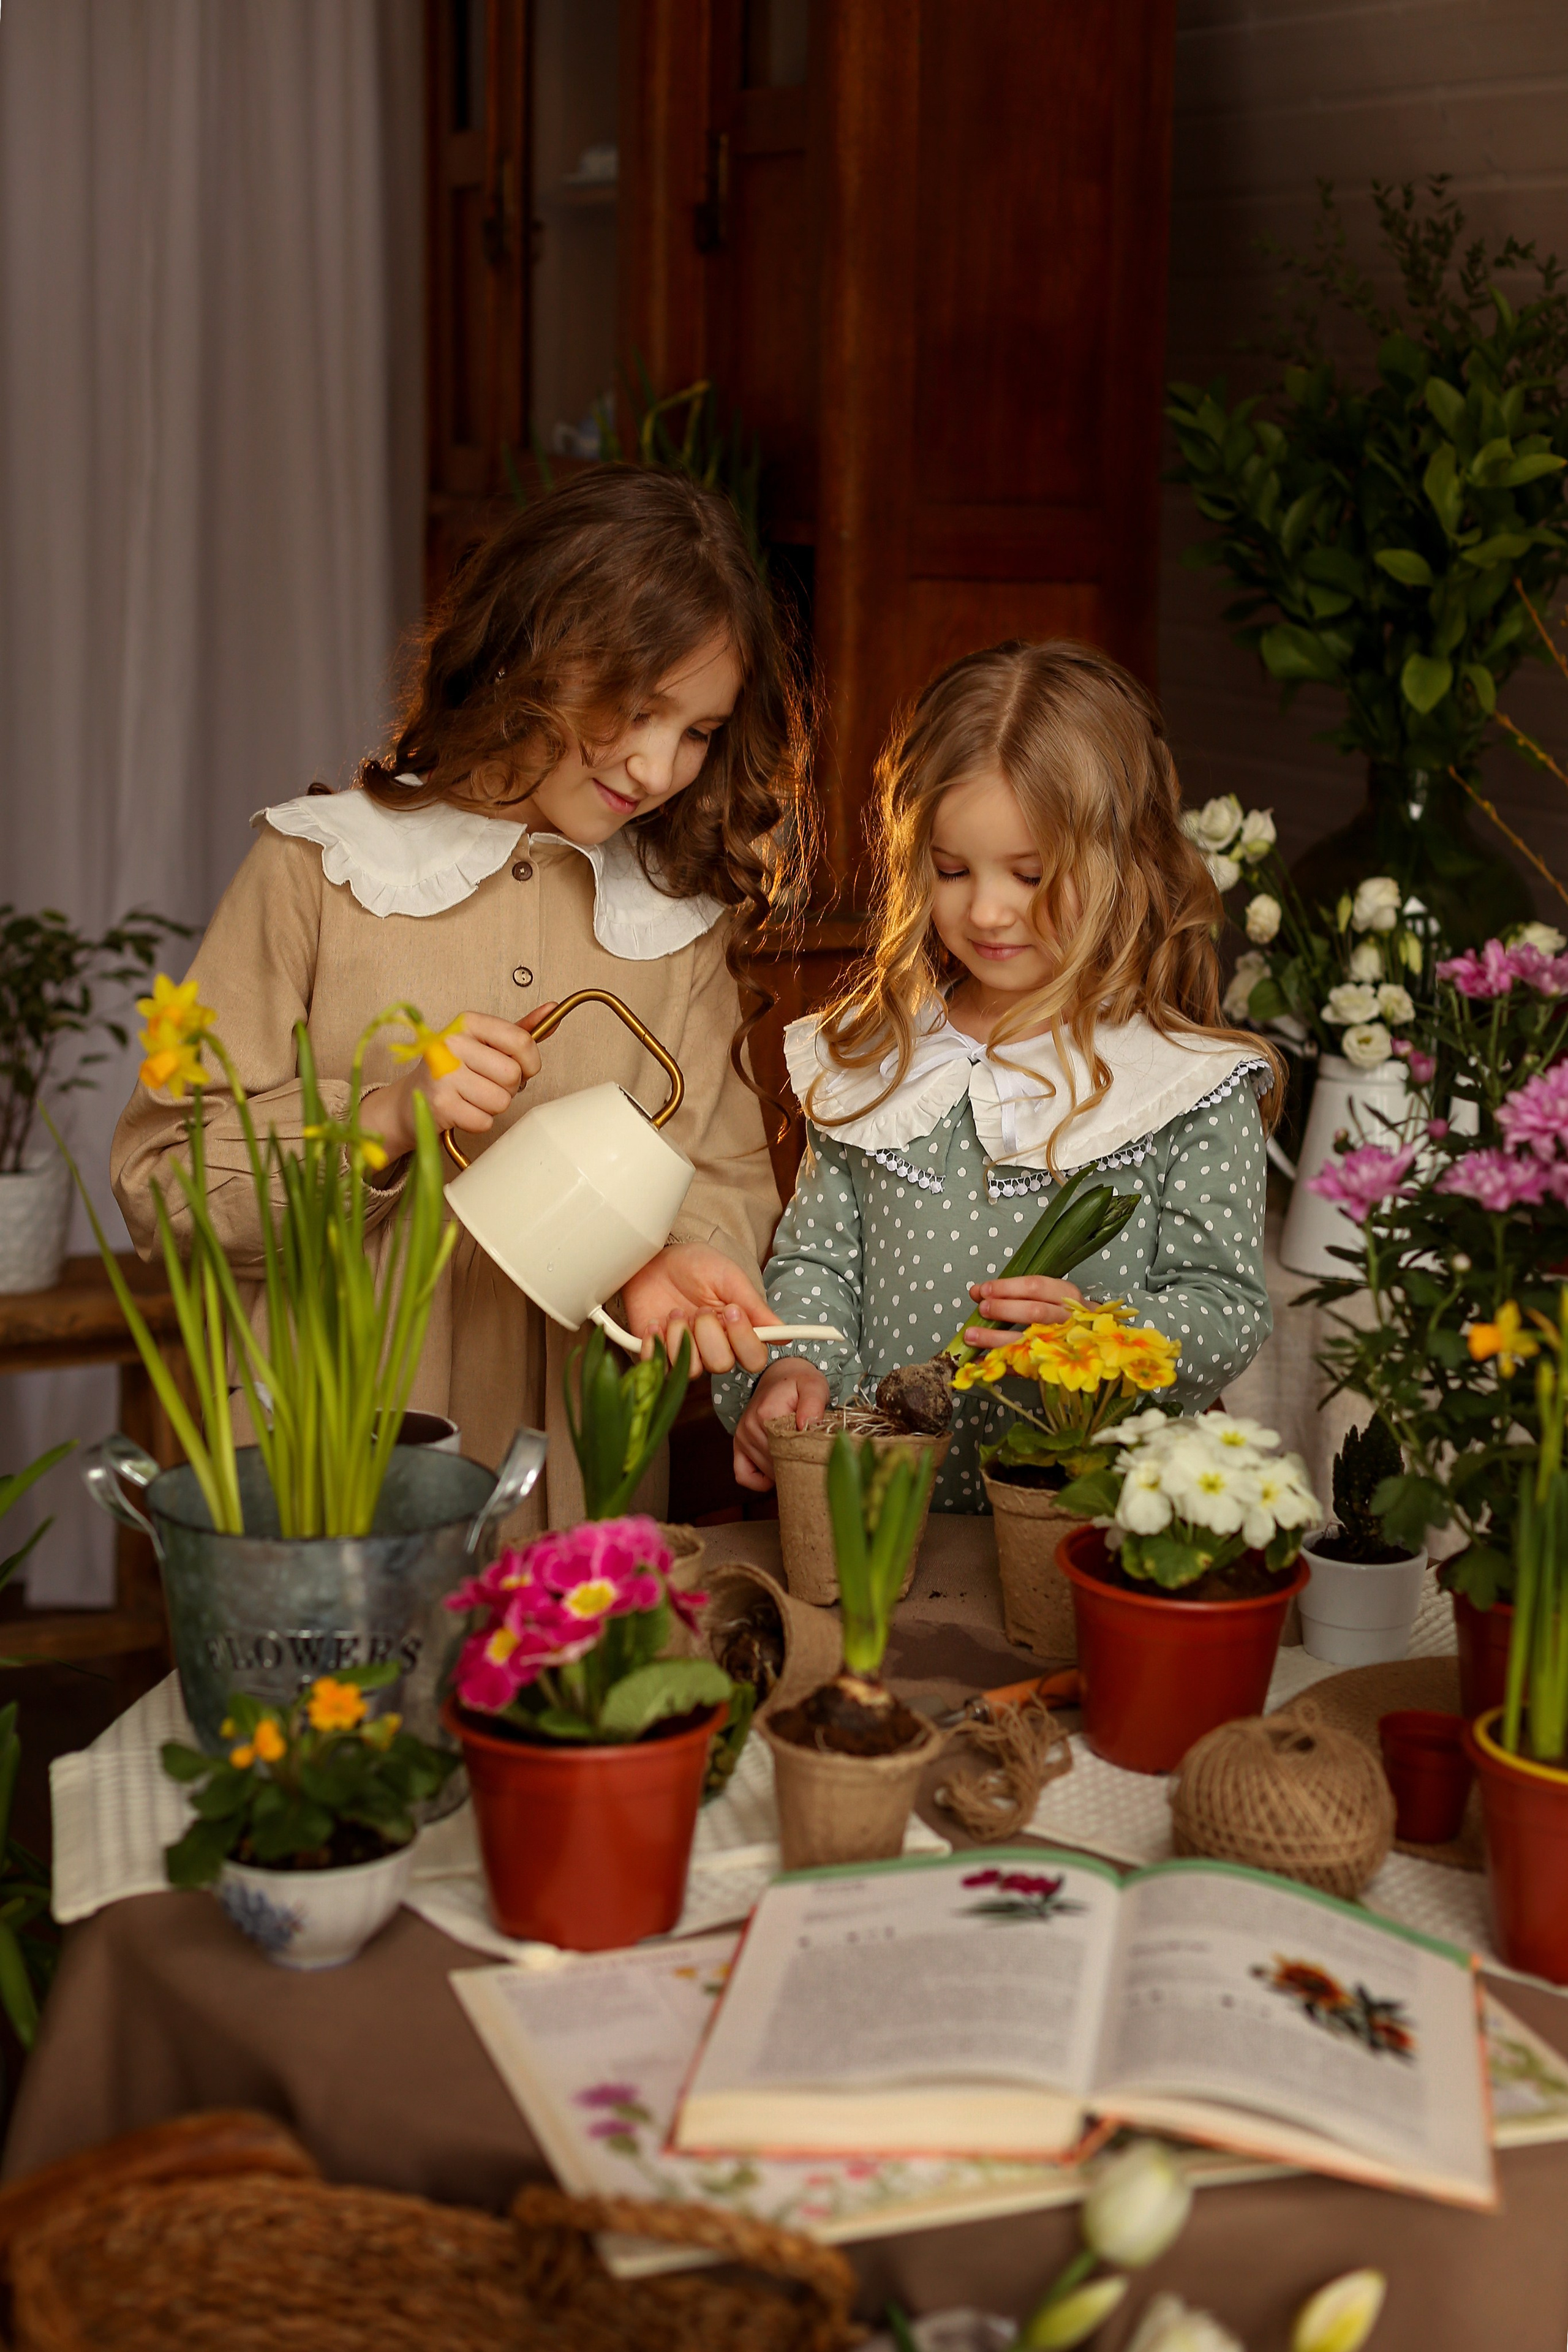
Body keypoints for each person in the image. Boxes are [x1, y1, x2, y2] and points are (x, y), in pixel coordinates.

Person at [113, 469, 807, 1528]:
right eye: (637, 709)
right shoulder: (316, 872)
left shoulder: (676, 919)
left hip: (575, 1496)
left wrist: (680, 1254)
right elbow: (166, 1193)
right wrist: (384, 1116)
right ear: (530, 648)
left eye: (700, 730)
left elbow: (725, 1177)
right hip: (333, 1481)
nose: (661, 765)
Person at [715, 640, 1281, 1513]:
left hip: (1078, 1519)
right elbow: (818, 1261)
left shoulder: (1185, 1085)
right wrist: (797, 1364)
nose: (984, 911)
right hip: (878, 1513)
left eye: (1030, 875)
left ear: (1125, 862)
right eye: (951, 870)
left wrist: (1099, 1335)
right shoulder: (880, 1058)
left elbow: (1226, 1307)